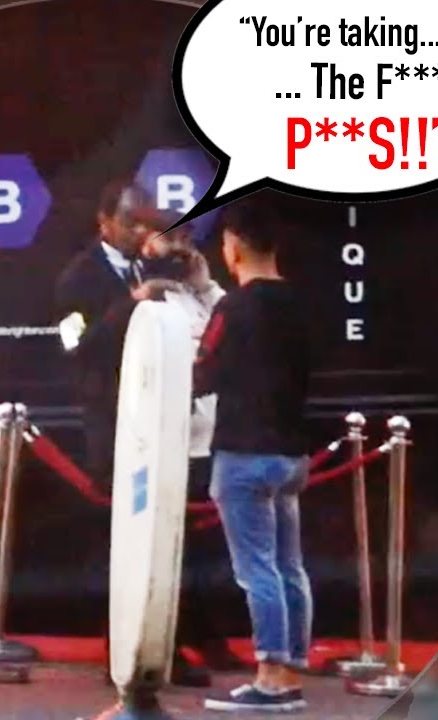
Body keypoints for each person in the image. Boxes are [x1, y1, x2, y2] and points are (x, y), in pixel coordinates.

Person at [53, 180, 209, 687]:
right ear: (103, 222)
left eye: (146, 223)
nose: (139, 232)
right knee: (121, 542)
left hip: (162, 418)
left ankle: (168, 645)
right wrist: (132, 304)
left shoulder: (154, 264)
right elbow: (76, 347)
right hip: (112, 424)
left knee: (166, 535)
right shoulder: (77, 277)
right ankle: (118, 649)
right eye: (129, 222)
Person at [193, 201, 312, 713]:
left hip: (243, 451)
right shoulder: (299, 303)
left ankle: (270, 676)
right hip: (291, 452)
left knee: (257, 570)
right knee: (289, 566)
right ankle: (292, 667)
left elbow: (203, 371)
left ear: (234, 245)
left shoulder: (233, 309)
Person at [135, 216, 249, 674]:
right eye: (171, 241)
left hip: (208, 439)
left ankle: (209, 637)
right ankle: (172, 641)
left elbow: (233, 324)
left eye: (186, 240)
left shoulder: (194, 294)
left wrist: (204, 284)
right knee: (171, 554)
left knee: (208, 554)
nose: (180, 250)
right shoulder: (144, 294)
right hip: (168, 441)